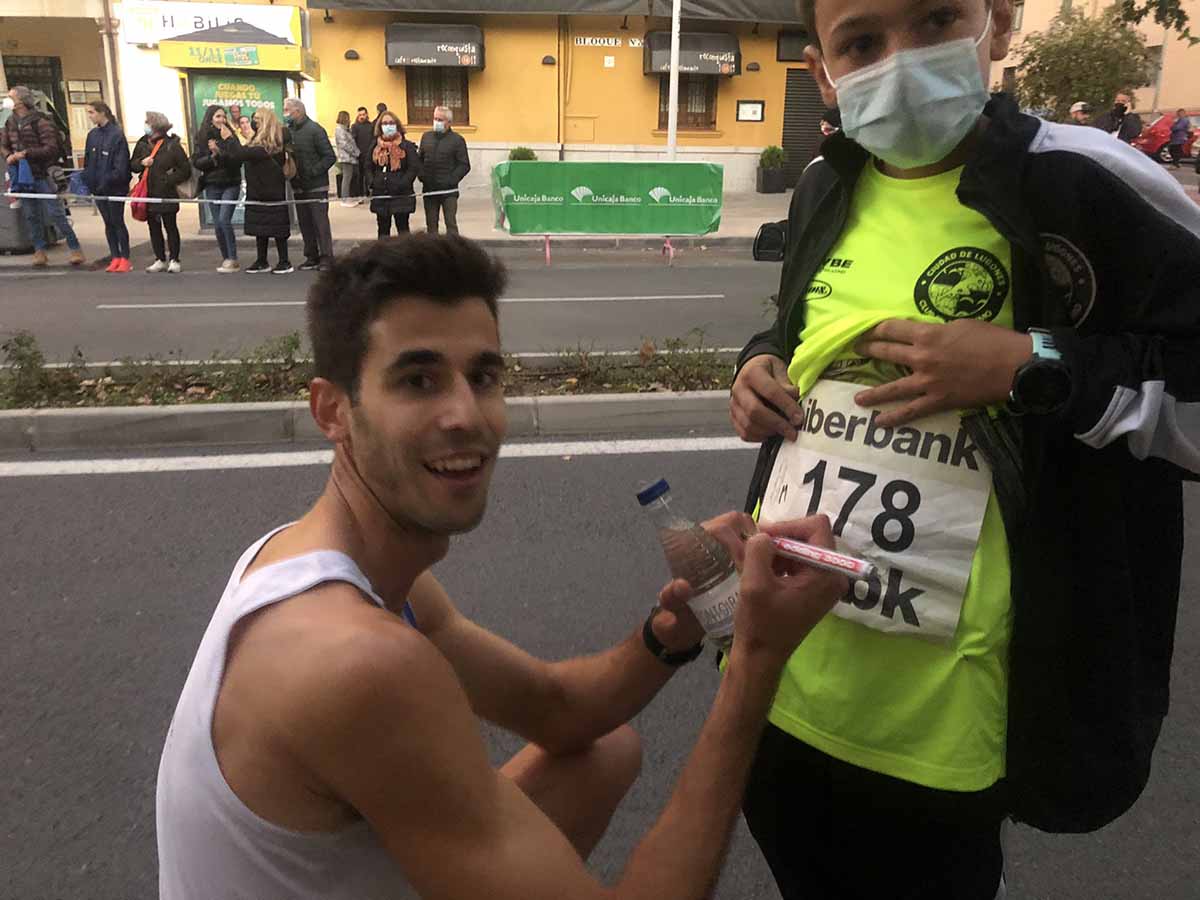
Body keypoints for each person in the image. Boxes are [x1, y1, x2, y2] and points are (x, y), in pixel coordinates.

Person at [155, 232, 847, 900]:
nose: (466, 415)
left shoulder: (311, 558)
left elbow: (557, 708)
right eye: (418, 380)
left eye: (483, 376)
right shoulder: (355, 662)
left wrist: (675, 632)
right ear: (332, 410)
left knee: (605, 751)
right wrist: (756, 661)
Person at [730, 1, 1200, 898]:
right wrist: (758, 368)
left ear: (1001, 21)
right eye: (862, 42)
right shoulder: (824, 185)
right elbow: (798, 335)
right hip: (784, 680)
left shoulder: (1087, 182)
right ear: (824, 72)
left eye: (937, 19)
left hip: (944, 732)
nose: (901, 61)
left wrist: (1037, 367)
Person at [1, 85, 84, 268]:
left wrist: (26, 153)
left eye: (11, 97)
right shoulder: (10, 121)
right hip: (22, 176)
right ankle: (39, 251)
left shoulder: (41, 121)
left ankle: (75, 248)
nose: (8, 100)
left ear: (21, 101)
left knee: (55, 212)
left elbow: (51, 148)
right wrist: (8, 155)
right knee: (30, 214)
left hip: (42, 174)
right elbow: (3, 143)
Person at [224, 108, 292, 274]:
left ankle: (284, 261)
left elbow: (242, 153)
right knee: (260, 228)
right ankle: (262, 260)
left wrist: (230, 138)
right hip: (257, 191)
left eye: (257, 120)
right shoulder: (257, 140)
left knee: (278, 228)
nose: (254, 123)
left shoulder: (271, 144)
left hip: (272, 191)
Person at [130, 111, 191, 274]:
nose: (145, 126)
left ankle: (174, 259)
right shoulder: (142, 144)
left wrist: (168, 180)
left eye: (147, 122)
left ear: (156, 126)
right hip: (148, 193)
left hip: (166, 193)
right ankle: (159, 258)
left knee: (170, 226)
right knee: (153, 227)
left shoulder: (172, 145)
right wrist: (142, 163)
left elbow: (185, 170)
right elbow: (133, 165)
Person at [282, 97, 336, 271]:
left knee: (320, 223)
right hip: (298, 185)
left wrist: (313, 171)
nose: (285, 113)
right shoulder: (288, 132)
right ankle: (311, 256)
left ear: (298, 111)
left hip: (316, 185)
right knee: (305, 222)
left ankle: (326, 257)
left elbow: (329, 157)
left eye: (287, 110)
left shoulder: (315, 130)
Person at [192, 105, 244, 273]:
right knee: (217, 224)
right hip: (212, 183)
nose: (221, 120)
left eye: (223, 116)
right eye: (218, 117)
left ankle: (233, 258)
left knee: (224, 220)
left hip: (231, 182)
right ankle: (226, 257)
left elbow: (237, 159)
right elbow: (197, 162)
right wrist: (212, 156)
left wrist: (223, 147)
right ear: (210, 119)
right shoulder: (202, 137)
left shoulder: (230, 136)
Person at [81, 100, 131, 273]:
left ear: (102, 113)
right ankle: (115, 256)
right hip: (98, 188)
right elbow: (88, 161)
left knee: (117, 221)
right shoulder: (93, 135)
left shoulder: (116, 134)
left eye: (92, 112)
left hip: (114, 187)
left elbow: (121, 165)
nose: (90, 116)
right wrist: (88, 180)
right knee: (108, 223)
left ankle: (125, 257)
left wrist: (108, 181)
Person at [418, 105, 470, 234]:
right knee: (431, 225)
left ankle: (454, 251)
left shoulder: (457, 140)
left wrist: (451, 180)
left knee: (450, 223)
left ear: (449, 122)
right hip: (429, 189)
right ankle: (432, 252)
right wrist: (421, 175)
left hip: (449, 191)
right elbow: (419, 160)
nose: (437, 122)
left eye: (440, 120)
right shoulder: (426, 137)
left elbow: (464, 165)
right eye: (435, 119)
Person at [367, 111, 420, 238]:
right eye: (385, 123)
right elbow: (368, 167)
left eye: (391, 123)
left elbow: (413, 168)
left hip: (401, 195)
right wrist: (372, 182)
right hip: (381, 194)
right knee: (383, 230)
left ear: (397, 125)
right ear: (380, 127)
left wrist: (402, 183)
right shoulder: (375, 146)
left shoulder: (406, 146)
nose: (388, 126)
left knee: (403, 230)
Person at [333, 110, 360, 207]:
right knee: (346, 178)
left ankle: (348, 198)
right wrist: (356, 152)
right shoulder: (340, 130)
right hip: (346, 157)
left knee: (349, 177)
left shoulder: (345, 129)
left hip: (349, 157)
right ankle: (344, 200)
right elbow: (344, 144)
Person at [351, 106, 375, 197]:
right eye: (360, 115)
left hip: (369, 154)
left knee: (369, 174)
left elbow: (374, 139)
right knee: (360, 176)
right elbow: (352, 141)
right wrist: (357, 153)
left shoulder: (371, 125)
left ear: (367, 114)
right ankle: (360, 194)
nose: (362, 116)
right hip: (359, 155)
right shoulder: (355, 126)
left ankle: (369, 192)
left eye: (363, 114)